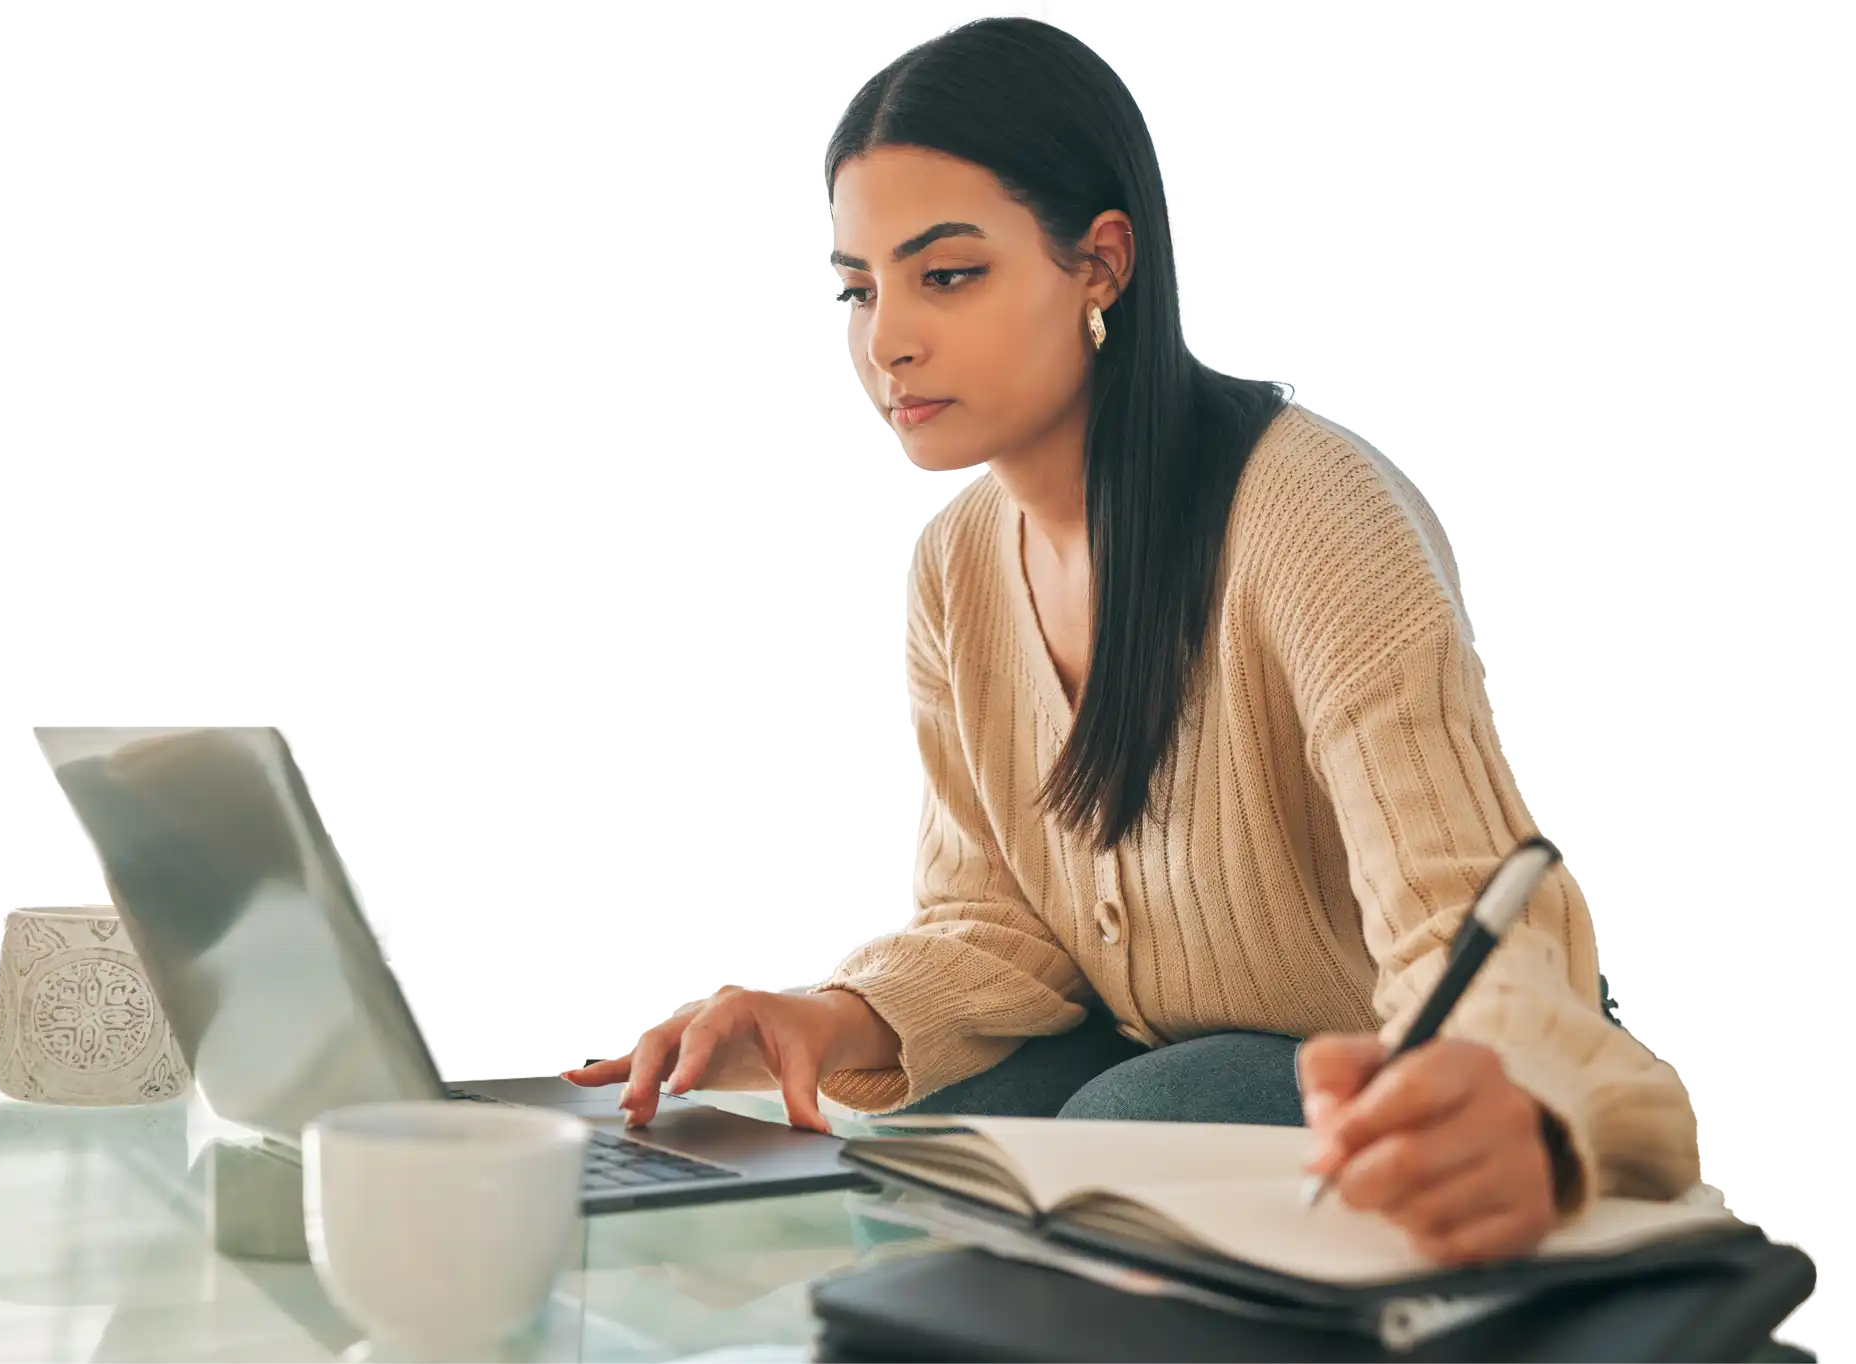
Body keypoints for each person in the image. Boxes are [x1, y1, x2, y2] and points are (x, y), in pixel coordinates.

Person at [567, 13, 1702, 1266]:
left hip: (1398, 1049)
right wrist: (827, 1018)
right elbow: (994, 926)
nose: (883, 338)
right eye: (854, 286)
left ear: (1099, 263)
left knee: (1128, 1123)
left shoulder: (1310, 516)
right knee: (918, 1143)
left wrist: (1513, 1091)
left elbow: (1464, 908)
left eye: (945, 275)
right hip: (1157, 1037)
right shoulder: (953, 567)